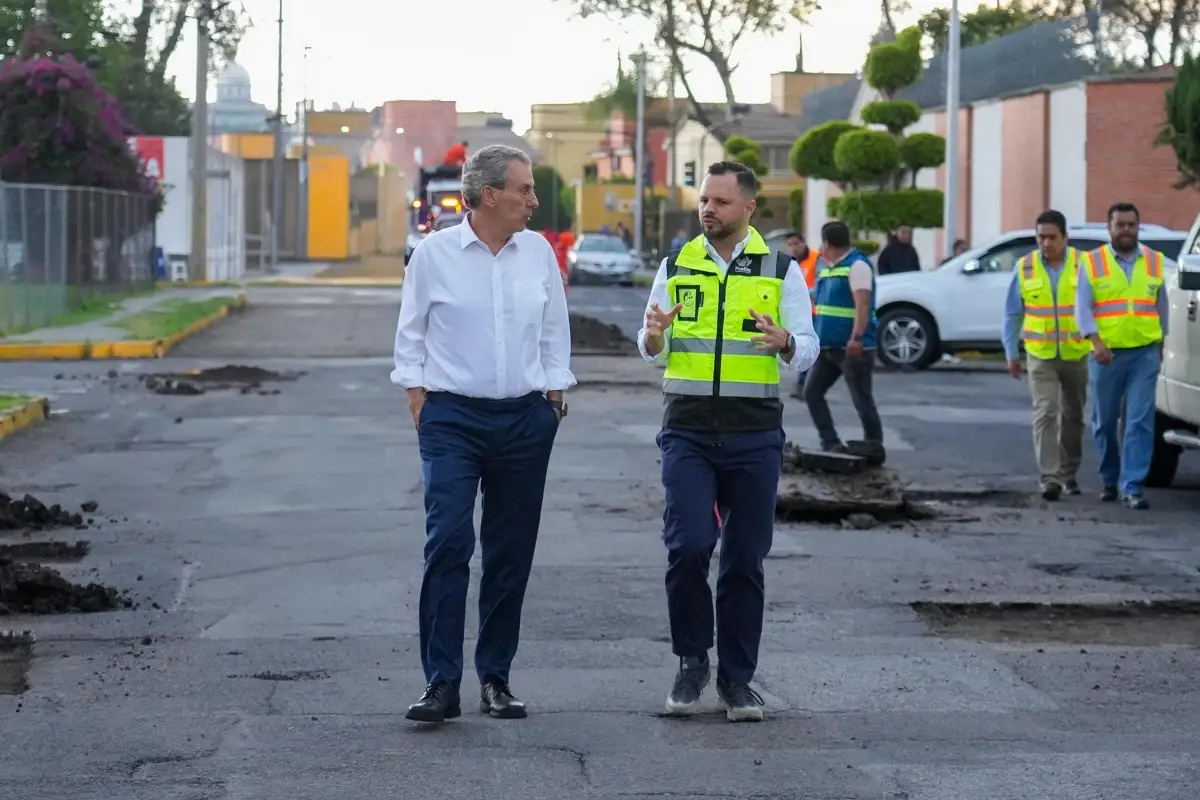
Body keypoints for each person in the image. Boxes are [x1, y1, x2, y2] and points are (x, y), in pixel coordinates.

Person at [392, 144, 575, 723]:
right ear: (490, 194)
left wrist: (553, 398)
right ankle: (440, 683)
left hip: (524, 420)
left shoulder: (538, 253)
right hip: (452, 420)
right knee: (448, 542)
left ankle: (496, 677)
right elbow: (411, 332)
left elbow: (553, 329)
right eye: (525, 189)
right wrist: (418, 396)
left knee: (508, 553)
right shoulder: (434, 254)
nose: (533, 200)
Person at [637, 160, 819, 723]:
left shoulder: (780, 268)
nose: (707, 209)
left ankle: (738, 681)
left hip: (754, 434)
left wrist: (787, 340)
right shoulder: (676, 265)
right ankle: (692, 661)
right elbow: (651, 347)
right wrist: (652, 336)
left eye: (719, 201)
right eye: (703, 200)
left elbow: (809, 349)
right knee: (690, 544)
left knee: (744, 559)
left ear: (748, 208)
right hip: (687, 429)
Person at [1076, 202, 1172, 509]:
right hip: (1107, 355)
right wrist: (1095, 342)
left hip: (1144, 354)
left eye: (1132, 225)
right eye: (1120, 225)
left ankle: (1132, 486)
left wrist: (1161, 344)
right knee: (1104, 422)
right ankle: (1109, 479)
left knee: (1139, 421)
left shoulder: (1155, 261)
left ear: (1137, 227)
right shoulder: (1092, 262)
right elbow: (1082, 307)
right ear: (1110, 228)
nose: (1126, 230)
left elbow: (1162, 305)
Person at [1002, 210, 1090, 501]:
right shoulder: (1024, 267)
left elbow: (1098, 307)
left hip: (1076, 352)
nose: (1046, 243)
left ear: (1065, 237)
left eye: (1052, 237)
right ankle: (1049, 478)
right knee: (1045, 412)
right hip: (1040, 354)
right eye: (1041, 237)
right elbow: (1013, 312)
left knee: (1074, 416)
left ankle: (1069, 473)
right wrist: (1010, 351)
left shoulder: (1084, 264)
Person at [803, 220, 885, 460]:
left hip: (852, 348)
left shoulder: (857, 266)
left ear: (827, 243)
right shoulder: (829, 268)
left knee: (861, 399)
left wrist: (857, 338)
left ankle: (874, 446)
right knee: (812, 393)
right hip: (828, 347)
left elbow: (862, 304)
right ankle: (830, 443)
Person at [784, 230, 820, 398]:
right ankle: (803, 386)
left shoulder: (816, 259)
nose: (793, 248)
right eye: (790, 245)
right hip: (803, 312)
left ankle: (804, 387)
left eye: (796, 244)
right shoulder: (791, 263)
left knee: (810, 349)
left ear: (803, 243)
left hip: (817, 312)